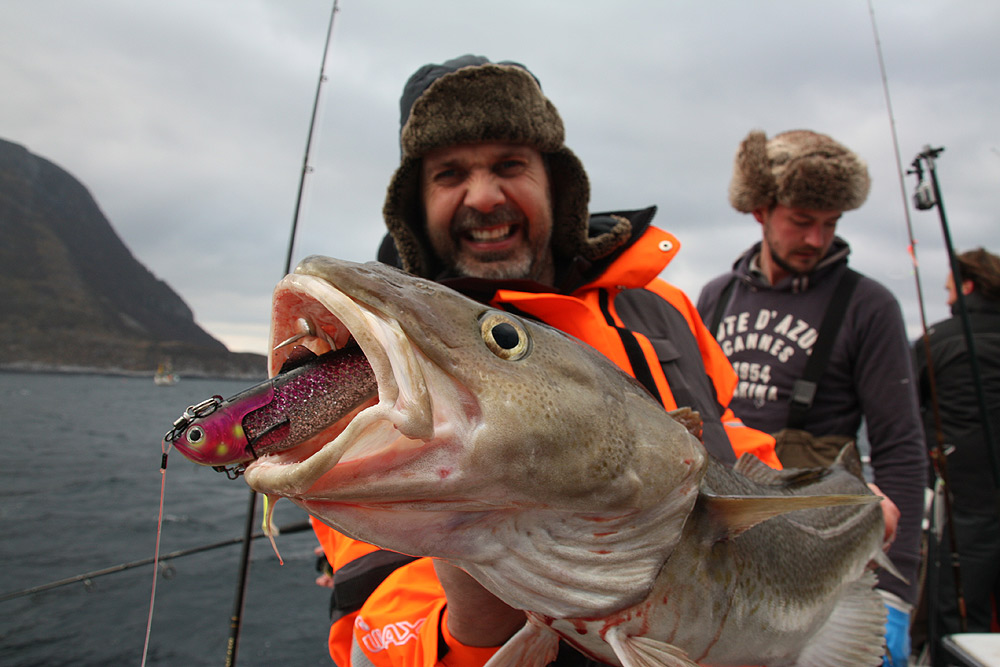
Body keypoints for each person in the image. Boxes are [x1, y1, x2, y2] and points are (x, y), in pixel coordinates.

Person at [311, 55, 780, 667]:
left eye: (510, 164)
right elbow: (372, 623)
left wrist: (821, 513)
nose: (483, 196)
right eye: (449, 174)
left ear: (556, 184)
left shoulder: (663, 305)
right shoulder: (366, 373)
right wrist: (470, 630)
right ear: (414, 207)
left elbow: (736, 439)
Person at [696, 129, 929, 666]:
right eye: (802, 220)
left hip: (820, 554)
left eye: (831, 223)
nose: (817, 239)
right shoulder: (716, 297)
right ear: (760, 210)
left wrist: (899, 592)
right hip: (729, 545)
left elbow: (899, 445)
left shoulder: (869, 306)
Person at [914, 248, 1000, 659]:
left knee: (957, 605)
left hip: (965, 493)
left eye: (949, 288)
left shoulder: (939, 341)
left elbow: (910, 410)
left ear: (966, 287)